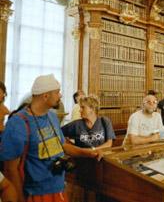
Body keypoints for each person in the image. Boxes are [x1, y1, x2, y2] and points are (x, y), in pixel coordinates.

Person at [0, 74, 103, 202]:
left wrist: (89, 153)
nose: (60, 95)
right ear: (45, 96)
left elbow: (63, 146)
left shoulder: (53, 116)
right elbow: (10, 169)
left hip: (58, 190)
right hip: (34, 195)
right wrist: (20, 199)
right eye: (57, 92)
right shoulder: (18, 123)